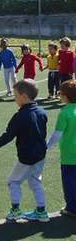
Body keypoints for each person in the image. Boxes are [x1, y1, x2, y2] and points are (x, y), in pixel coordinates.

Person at [0, 80, 49, 222]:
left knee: (13, 181)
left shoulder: (20, 116)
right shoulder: (42, 112)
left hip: (27, 157)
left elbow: (7, 136)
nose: (14, 98)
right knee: (35, 181)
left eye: (15, 95)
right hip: (40, 155)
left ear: (23, 96)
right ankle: (41, 211)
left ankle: (16, 210)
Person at [47, 79, 76, 217]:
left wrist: (46, 147)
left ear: (65, 96)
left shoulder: (65, 112)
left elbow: (57, 134)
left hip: (69, 154)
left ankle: (71, 208)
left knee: (69, 181)